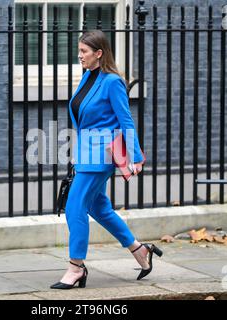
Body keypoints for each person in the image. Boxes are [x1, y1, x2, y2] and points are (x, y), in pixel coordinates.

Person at [50, 30, 163, 290]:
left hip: (101, 155)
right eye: (79, 51)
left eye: (84, 52)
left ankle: (76, 267)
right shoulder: (88, 77)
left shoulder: (112, 82)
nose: (79, 56)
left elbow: (125, 119)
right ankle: (139, 249)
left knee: (75, 207)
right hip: (85, 152)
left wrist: (134, 155)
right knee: (99, 208)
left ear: (99, 53)